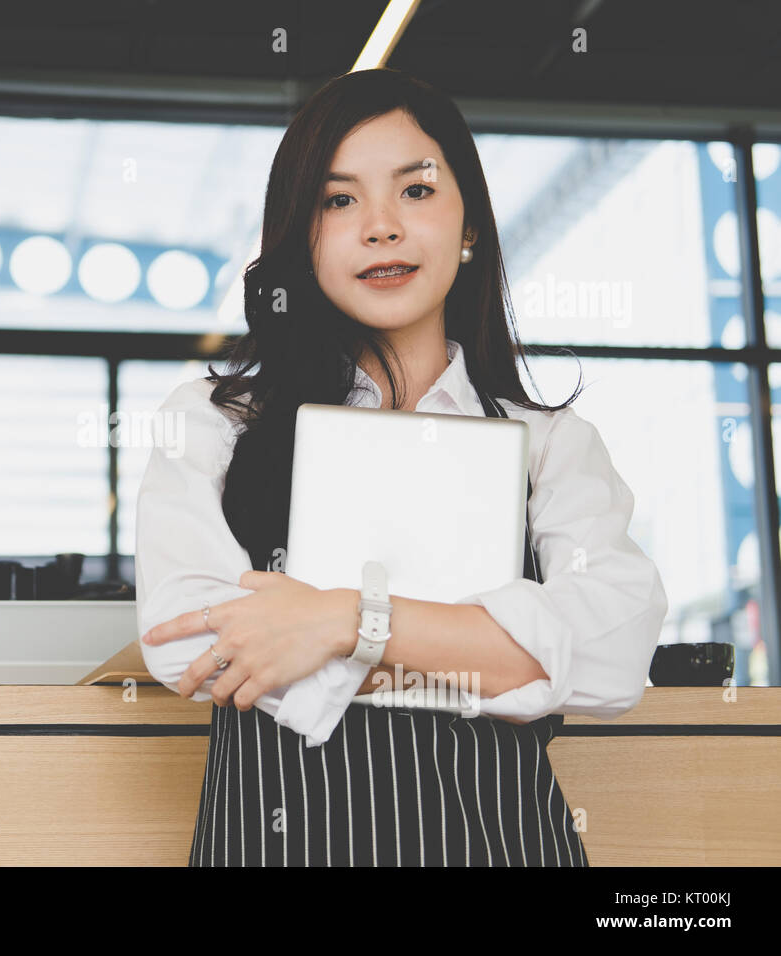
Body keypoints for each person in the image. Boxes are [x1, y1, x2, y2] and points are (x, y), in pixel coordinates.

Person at [134, 67, 668, 867]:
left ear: (470, 225)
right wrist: (494, 662)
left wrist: (342, 621)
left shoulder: (550, 441)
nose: (380, 227)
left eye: (415, 192)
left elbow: (614, 654)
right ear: (301, 234)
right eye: (338, 200)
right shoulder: (212, 423)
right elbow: (189, 646)